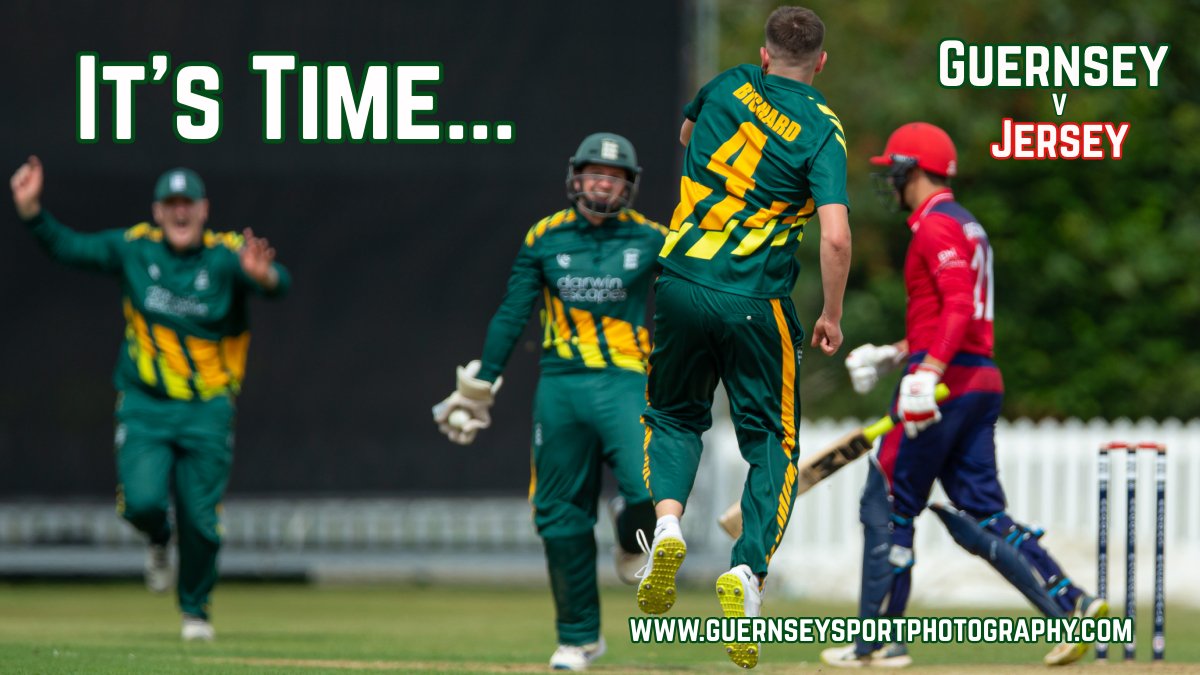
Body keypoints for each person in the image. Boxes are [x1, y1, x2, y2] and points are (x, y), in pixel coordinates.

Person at [819, 122, 1107, 668]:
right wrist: (896, 352)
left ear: (915, 169)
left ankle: (876, 641)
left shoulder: (934, 227)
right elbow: (951, 312)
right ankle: (1071, 605)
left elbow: (957, 308)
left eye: (894, 170)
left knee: (887, 500)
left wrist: (926, 371)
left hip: (946, 384)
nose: (891, 181)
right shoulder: (965, 223)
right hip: (977, 379)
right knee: (982, 512)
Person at [634, 6, 852, 669]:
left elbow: (684, 134)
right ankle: (747, 572)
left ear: (763, 54)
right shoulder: (822, 128)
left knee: (672, 415)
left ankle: (666, 524)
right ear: (819, 63)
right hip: (755, 298)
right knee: (772, 442)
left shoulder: (726, 83)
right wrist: (832, 315)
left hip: (677, 280)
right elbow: (837, 236)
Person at [10, 157, 290, 642]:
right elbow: (69, 247)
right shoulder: (134, 249)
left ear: (204, 210)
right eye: (171, 205)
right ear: (157, 212)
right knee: (140, 503)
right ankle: (159, 539)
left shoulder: (225, 257)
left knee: (201, 520)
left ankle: (195, 612)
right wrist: (33, 212)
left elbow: (278, 284)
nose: (180, 214)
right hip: (146, 405)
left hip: (207, 406)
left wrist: (262, 277)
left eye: (188, 205)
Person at [432, 132, 666, 672]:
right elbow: (513, 313)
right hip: (560, 386)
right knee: (558, 515)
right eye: (594, 173)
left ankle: (627, 527)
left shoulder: (655, 238)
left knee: (651, 489)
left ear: (629, 186)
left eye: (616, 176)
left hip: (627, 380)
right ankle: (579, 638)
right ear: (575, 178)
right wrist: (481, 384)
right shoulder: (545, 236)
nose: (604, 183)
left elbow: (695, 294)